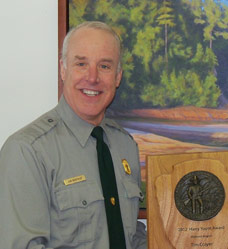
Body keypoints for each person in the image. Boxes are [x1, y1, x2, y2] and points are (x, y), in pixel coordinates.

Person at [0, 21, 147, 249]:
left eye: (105, 66)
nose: (92, 77)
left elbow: (131, 237)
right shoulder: (28, 150)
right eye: (81, 63)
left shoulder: (125, 146)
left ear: (118, 77)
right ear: (63, 69)